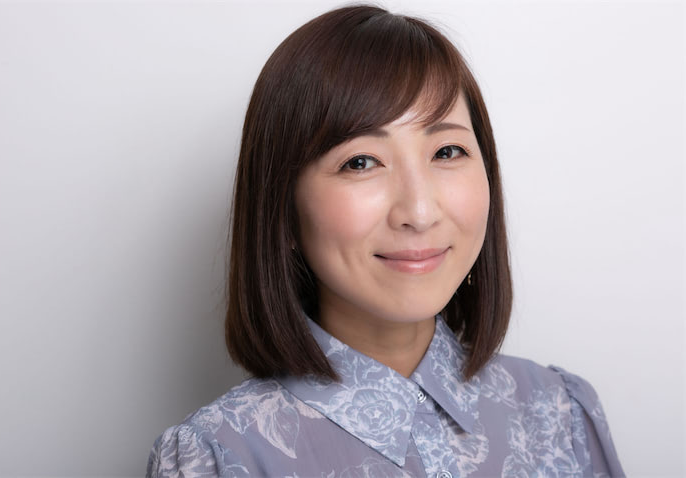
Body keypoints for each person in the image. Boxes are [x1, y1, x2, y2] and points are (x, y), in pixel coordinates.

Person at [146, 5, 625, 477]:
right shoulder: (217, 457)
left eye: (447, 151)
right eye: (360, 162)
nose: (419, 212)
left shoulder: (559, 413)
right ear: (283, 210)